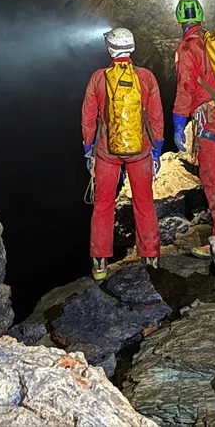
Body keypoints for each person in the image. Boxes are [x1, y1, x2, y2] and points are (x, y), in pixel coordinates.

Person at [81, 27, 164, 280]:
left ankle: (99, 263)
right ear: (132, 48)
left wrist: (88, 150)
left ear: (110, 49)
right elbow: (155, 115)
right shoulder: (146, 77)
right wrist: (157, 149)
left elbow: (88, 117)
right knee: (144, 201)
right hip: (140, 151)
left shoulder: (98, 78)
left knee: (104, 204)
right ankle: (150, 256)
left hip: (107, 151)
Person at [171, 0, 215, 255]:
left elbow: (185, 88)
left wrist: (178, 123)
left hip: (210, 122)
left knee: (213, 181)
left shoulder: (188, 48)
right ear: (200, 16)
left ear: (180, 20)